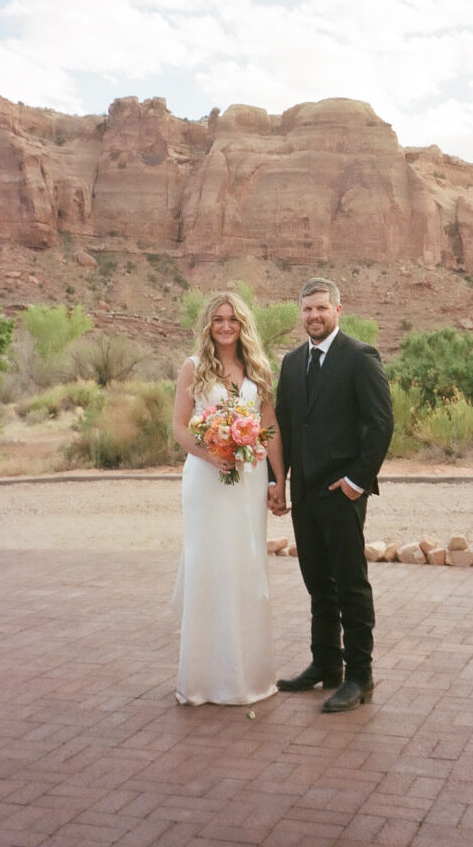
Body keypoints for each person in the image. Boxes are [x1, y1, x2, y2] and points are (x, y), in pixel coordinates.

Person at [271, 277, 393, 713]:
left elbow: (381, 425)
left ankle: (360, 676)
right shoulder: (291, 362)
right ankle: (326, 665)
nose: (313, 316)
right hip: (304, 493)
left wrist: (357, 482)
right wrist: (278, 480)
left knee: (350, 585)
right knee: (318, 584)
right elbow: (283, 426)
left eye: (321, 308)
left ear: (338, 310)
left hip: (342, 493)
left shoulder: (360, 357)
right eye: (306, 310)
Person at [171, 291, 285, 706]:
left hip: (249, 481)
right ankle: (203, 681)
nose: (225, 325)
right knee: (209, 564)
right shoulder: (194, 368)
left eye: (232, 319)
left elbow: (269, 425)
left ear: (243, 325)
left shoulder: (258, 368)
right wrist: (211, 454)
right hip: (206, 480)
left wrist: (279, 482)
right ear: (208, 323)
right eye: (218, 318)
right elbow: (180, 427)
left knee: (246, 564)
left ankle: (249, 677)